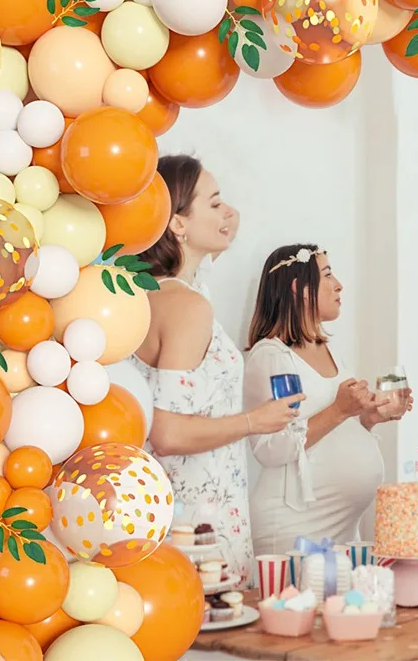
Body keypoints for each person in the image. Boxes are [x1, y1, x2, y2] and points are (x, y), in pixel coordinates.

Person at [133, 155, 302, 584]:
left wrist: (217, 213)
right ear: (177, 223)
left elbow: (215, 239)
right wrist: (254, 421)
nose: (229, 212)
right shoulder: (188, 307)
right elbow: (167, 433)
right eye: (214, 203)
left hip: (162, 508)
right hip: (198, 520)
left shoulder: (149, 293)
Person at [245, 243, 412, 555]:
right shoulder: (270, 356)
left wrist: (368, 418)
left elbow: (334, 429)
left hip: (344, 528)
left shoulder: (331, 350)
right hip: (294, 525)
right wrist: (339, 410)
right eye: (328, 274)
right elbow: (270, 448)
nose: (339, 285)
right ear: (300, 289)